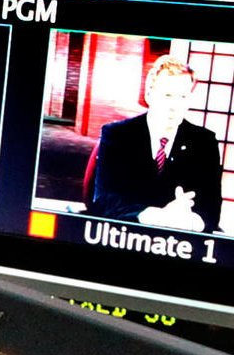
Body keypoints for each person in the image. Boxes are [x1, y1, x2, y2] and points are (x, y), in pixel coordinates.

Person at [85, 54, 223, 231]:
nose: (175, 106)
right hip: (126, 234)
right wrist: (157, 216)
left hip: (180, 240)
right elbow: (104, 200)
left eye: (182, 97)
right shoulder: (117, 135)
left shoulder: (204, 142)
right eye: (167, 95)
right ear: (149, 95)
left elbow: (211, 209)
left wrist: (192, 221)